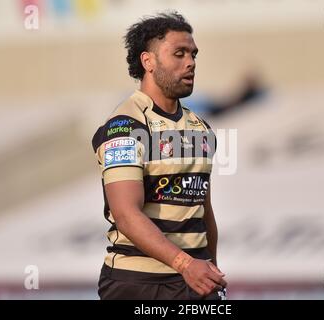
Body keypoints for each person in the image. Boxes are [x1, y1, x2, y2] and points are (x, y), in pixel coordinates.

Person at [91, 12, 227, 300]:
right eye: (179, 54)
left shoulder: (201, 128)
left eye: (193, 54)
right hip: (139, 284)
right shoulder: (125, 126)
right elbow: (126, 214)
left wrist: (210, 268)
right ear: (148, 62)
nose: (190, 62)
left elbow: (203, 211)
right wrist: (185, 264)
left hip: (194, 281)